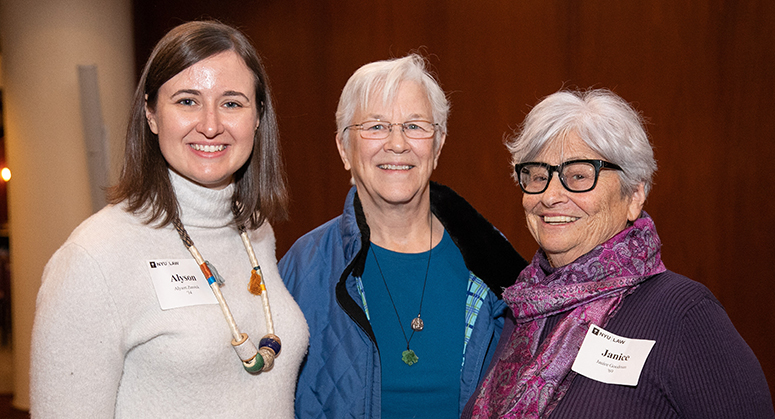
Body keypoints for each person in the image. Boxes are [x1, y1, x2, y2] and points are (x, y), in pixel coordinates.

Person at [30, 21, 308, 418]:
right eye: (187, 101)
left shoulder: (256, 231)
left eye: (232, 103)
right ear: (151, 114)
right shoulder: (93, 257)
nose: (211, 126)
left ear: (258, 115)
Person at [463, 88, 774, 418]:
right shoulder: (522, 311)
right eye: (539, 175)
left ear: (634, 194)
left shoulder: (685, 315)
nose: (551, 195)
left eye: (579, 175)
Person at [278, 53, 528, 419]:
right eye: (376, 127)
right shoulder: (303, 265)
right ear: (344, 149)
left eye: (414, 126)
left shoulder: (492, 262)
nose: (397, 144)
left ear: (438, 145)